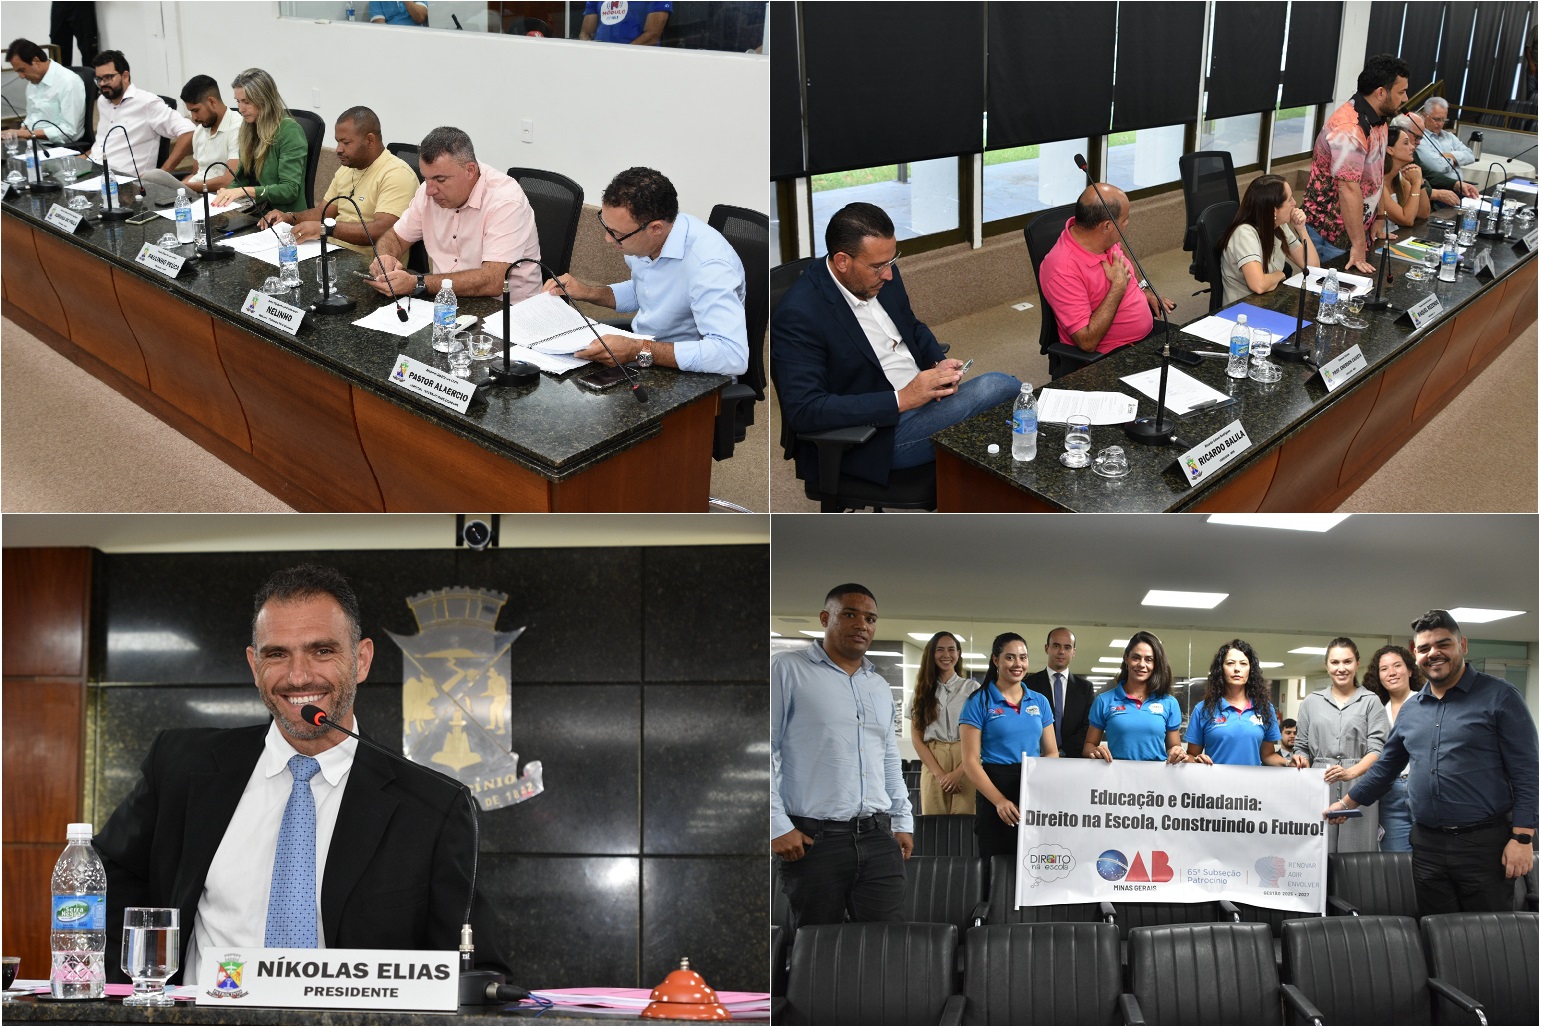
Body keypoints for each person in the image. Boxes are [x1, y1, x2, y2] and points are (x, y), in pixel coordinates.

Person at [92, 565, 508, 985]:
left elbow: (477, 974)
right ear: (255, 665)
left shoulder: (433, 805)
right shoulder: (182, 765)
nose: (298, 676)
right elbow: (102, 876)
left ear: (361, 660)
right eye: (277, 654)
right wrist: (131, 990)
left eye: (322, 651)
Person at [772, 202, 1022, 487]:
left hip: (925, 399)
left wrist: (935, 362)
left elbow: (911, 326)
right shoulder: (799, 314)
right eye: (879, 266)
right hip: (876, 435)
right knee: (1001, 388)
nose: (889, 274)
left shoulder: (881, 273)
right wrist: (902, 399)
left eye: (892, 262)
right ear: (842, 261)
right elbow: (805, 410)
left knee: (1000, 419)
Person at [1332, 611, 1538, 915]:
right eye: (1425, 648)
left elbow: (1527, 773)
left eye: (1443, 644)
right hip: (1427, 845)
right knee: (1436, 932)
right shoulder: (1412, 709)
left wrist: (1523, 838)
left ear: (1462, 645)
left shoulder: (1500, 697)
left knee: (1486, 938)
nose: (1434, 654)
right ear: (1416, 654)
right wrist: (1347, 803)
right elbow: (1387, 767)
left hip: (1483, 845)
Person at [771, 584, 912, 929]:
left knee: (884, 944)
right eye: (849, 614)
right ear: (825, 618)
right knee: (819, 947)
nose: (861, 624)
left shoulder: (877, 685)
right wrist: (776, 825)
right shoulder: (787, 670)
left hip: (878, 836)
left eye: (870, 618)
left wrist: (903, 818)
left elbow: (888, 757)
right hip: (814, 840)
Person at [539, 167, 748, 375]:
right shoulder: (647, 240)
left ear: (655, 229)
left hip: (694, 375)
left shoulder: (709, 267)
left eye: (617, 234)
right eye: (606, 227)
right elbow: (645, 289)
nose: (608, 239)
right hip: (648, 351)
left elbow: (732, 356)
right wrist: (586, 292)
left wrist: (637, 350)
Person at [366, 126, 540, 301]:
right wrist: (385, 257)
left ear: (470, 171)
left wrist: (418, 283)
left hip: (506, 312)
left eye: (440, 180)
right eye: (426, 178)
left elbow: (493, 281)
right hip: (445, 300)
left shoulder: (505, 201)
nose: (430, 190)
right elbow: (395, 237)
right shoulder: (428, 192)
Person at [257, 106, 417, 257]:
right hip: (333, 252)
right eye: (337, 142)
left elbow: (383, 231)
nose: (338, 149)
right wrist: (290, 217)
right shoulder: (347, 168)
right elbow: (322, 212)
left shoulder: (396, 174)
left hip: (369, 265)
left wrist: (326, 229)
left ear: (370, 141)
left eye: (346, 143)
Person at [1039, 182, 1177, 355]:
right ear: (1106, 226)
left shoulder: (1104, 240)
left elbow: (1121, 250)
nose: (1128, 223)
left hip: (1146, 336)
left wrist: (1144, 288)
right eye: (1125, 219)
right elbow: (1086, 341)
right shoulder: (1061, 270)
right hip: (1114, 353)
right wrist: (1119, 286)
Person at [1301, 53, 1407, 273]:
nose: (1405, 98)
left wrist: (1379, 217)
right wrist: (1359, 246)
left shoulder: (1379, 120)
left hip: (1356, 229)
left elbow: (1377, 175)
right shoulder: (1349, 129)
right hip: (1330, 235)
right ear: (1381, 93)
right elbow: (1348, 188)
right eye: (1401, 92)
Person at [958, 632, 1058, 862]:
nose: (1018, 664)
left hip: (1032, 785)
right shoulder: (979, 701)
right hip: (994, 785)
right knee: (995, 862)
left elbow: (1051, 751)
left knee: (1033, 860)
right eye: (1010, 657)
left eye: (1023, 658)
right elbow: (970, 761)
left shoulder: (1039, 701)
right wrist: (999, 801)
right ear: (996, 660)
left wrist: (1037, 780)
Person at [1290, 638, 1389, 853]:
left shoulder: (1371, 702)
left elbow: (1378, 750)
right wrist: (1301, 758)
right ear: (1326, 665)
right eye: (1335, 662)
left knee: (1357, 856)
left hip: (1360, 786)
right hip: (1319, 785)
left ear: (1357, 663)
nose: (1341, 668)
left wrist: (1350, 773)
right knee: (1317, 854)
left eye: (1347, 662)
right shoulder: (1311, 702)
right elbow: (1301, 747)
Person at [211, 68, 307, 214]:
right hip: (256, 211)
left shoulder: (290, 131)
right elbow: (242, 177)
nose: (241, 109)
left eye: (246, 102)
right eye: (238, 101)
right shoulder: (249, 127)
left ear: (264, 99)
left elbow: (289, 190)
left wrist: (245, 191)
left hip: (284, 216)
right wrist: (226, 195)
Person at [85, 49, 194, 176]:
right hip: (93, 171)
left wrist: (162, 173)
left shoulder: (147, 103)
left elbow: (189, 131)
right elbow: (103, 143)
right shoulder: (103, 101)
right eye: (99, 79)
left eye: (108, 78)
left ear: (125, 76)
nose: (102, 84)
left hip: (125, 182)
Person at [1216, 174, 1320, 307]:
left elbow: (1313, 267)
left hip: (1269, 301)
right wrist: (1280, 274)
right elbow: (1258, 285)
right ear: (1273, 210)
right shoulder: (1245, 234)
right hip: (1243, 309)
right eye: (1289, 200)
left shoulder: (1279, 225)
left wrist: (1301, 229)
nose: (1294, 203)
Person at [1184, 639, 1291, 766]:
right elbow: (1191, 755)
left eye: (1243, 663)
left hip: (1251, 784)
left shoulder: (1265, 709)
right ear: (1221, 669)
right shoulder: (1204, 709)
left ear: (1250, 669)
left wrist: (1289, 763)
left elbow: (1268, 755)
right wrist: (1196, 760)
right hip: (1214, 784)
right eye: (1230, 663)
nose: (1237, 669)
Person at [905, 631, 979, 815]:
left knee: (966, 824)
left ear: (959, 653)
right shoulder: (921, 691)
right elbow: (917, 738)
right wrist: (940, 775)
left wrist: (959, 773)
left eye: (951, 649)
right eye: (940, 650)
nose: (946, 655)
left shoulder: (972, 689)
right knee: (934, 823)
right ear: (932, 654)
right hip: (933, 761)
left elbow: (983, 735)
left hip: (966, 760)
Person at [1085, 631, 1182, 763]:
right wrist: (1094, 751)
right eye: (1136, 658)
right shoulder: (1104, 700)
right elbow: (1089, 745)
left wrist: (1177, 752)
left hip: (1157, 779)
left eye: (1149, 659)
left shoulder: (1169, 703)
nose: (1142, 664)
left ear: (1156, 664)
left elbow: (1173, 747)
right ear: (1126, 658)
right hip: (1117, 778)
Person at [1363, 644, 1422, 853]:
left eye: (1397, 666)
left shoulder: (1426, 701)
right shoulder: (1376, 709)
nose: (1392, 673)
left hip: (1423, 788)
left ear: (1410, 670)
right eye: (1384, 669)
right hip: (1389, 792)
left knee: (1431, 856)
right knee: (1396, 861)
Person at [1382, 122, 1469, 228]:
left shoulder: (1400, 177)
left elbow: (1423, 214)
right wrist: (1416, 183)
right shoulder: (1378, 183)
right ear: (1390, 150)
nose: (1412, 147)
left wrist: (1421, 183)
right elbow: (1407, 220)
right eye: (1406, 143)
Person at [1025, 628, 1093, 758]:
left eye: (1067, 647)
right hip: (1037, 758)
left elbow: (1088, 727)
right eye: (1056, 646)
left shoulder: (1085, 688)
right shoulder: (1029, 685)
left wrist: (1061, 752)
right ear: (1047, 648)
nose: (1061, 651)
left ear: (1073, 652)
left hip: (1074, 759)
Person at [4, 37, 84, 144]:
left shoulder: (68, 82)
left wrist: (24, 134)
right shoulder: (32, 83)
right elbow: (31, 118)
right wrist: (16, 135)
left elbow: (69, 131)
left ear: (36, 61)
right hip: (32, 143)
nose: (21, 76)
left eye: (22, 70)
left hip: (58, 147)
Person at [177, 74, 239, 194]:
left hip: (222, 196)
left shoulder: (237, 128)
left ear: (211, 101)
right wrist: (180, 188)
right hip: (197, 194)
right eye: (191, 112)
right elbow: (196, 174)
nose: (194, 118)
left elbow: (229, 181)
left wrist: (184, 187)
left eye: (196, 110)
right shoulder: (200, 130)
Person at [1413, 97, 1483, 195]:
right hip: (1439, 190)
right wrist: (1457, 161)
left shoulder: (1449, 136)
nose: (1440, 124)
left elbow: (1471, 156)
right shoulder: (1420, 138)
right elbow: (1437, 166)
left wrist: (1450, 156)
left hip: (1459, 188)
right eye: (1436, 119)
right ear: (1424, 116)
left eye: (1444, 120)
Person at [581, 1, 671, 45]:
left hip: (640, 61)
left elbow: (653, 35)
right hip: (600, 60)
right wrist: (590, 51)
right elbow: (585, 33)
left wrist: (622, 55)